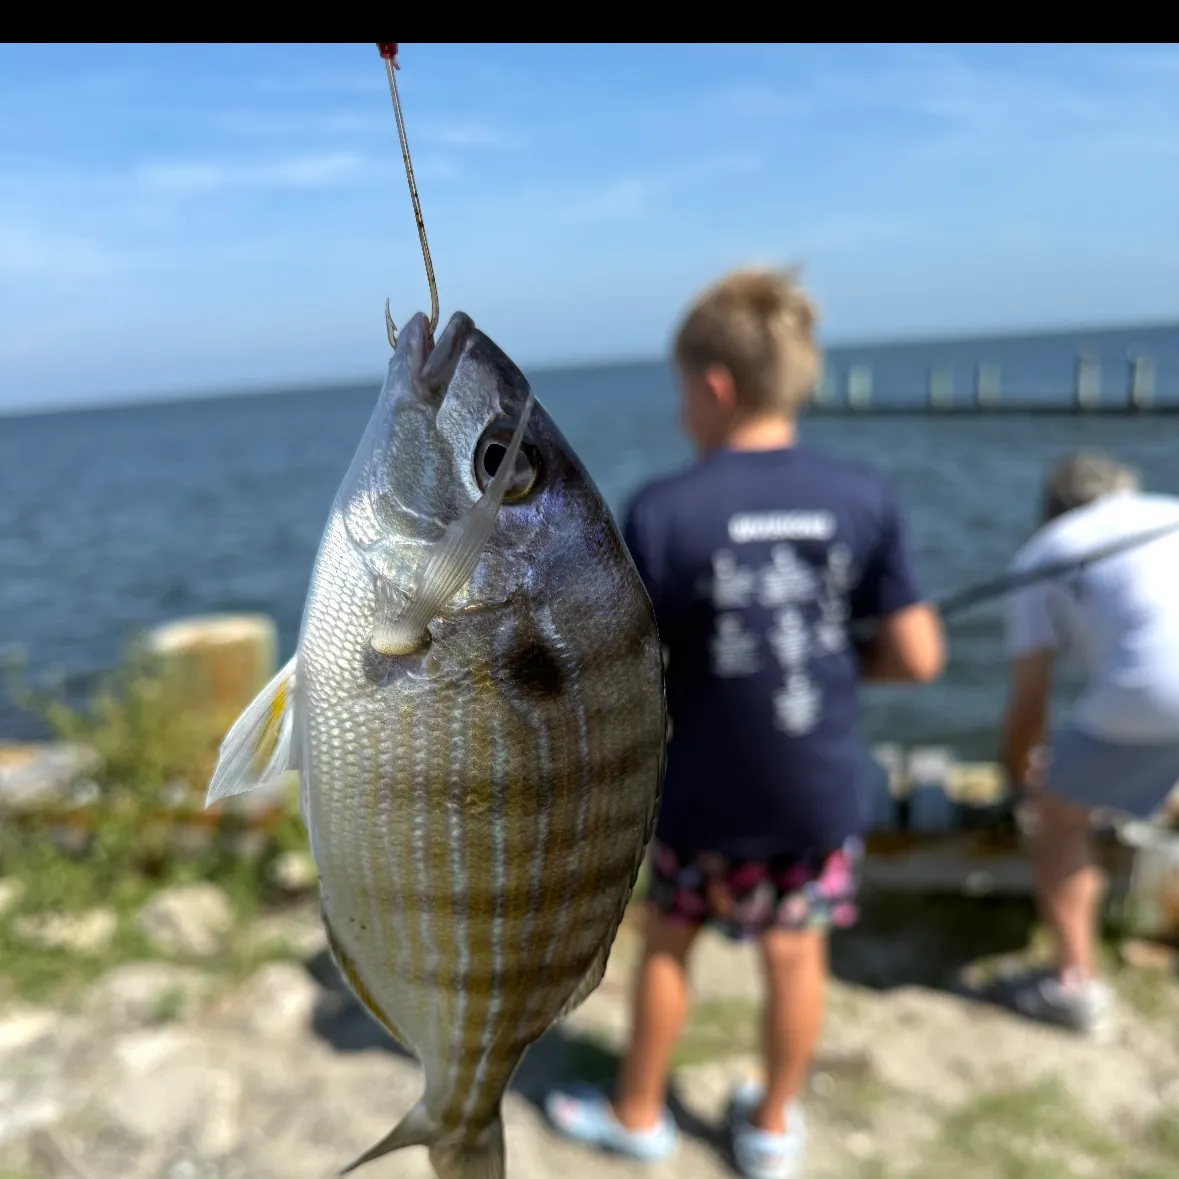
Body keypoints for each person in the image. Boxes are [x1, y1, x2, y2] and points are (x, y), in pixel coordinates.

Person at [543, 266, 944, 1179]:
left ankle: (639, 1112)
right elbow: (919, 657)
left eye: (681, 386)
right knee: (796, 955)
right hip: (815, 793)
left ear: (713, 385)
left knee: (668, 944)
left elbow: (616, 667)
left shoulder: (662, 509)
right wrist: (846, 660)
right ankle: (769, 1127)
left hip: (702, 799)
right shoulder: (862, 496)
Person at [999, 451, 1179, 1035]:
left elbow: (1031, 700)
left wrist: (1017, 776)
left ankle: (1075, 985)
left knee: (1057, 818)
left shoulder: (1042, 554)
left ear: (1050, 510)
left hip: (1151, 693)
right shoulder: (1168, 511)